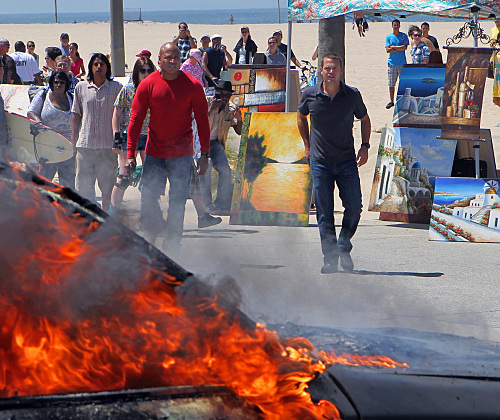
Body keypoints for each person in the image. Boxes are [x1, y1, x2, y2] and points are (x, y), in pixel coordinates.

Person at [126, 43, 211, 253]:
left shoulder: (193, 85)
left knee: (178, 202)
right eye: (168, 57)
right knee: (148, 199)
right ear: (160, 60)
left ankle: (173, 245)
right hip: (154, 153)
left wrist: (205, 155)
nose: (172, 61)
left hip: (181, 155)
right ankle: (151, 238)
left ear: (180, 59)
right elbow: (135, 121)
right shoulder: (148, 85)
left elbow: (202, 121)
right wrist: (129, 155)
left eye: (176, 57)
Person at [297, 53, 371, 274]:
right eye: (327, 68)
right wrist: (307, 145)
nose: (331, 72)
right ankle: (329, 258)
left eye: (335, 68)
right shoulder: (310, 95)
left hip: (347, 160)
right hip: (320, 162)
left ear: (341, 70)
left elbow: (365, 119)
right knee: (324, 212)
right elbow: (301, 117)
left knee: (355, 207)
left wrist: (365, 146)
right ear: (321, 70)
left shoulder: (352, 95)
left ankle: (343, 245)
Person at [71, 53, 122, 211]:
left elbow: (122, 117)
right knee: (83, 190)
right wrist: (73, 142)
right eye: (95, 64)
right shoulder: (81, 87)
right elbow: (76, 115)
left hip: (108, 147)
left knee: (107, 190)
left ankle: (105, 221)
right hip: (85, 146)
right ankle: (85, 221)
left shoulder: (116, 88)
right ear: (90, 68)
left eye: (102, 64)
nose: (99, 67)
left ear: (107, 67)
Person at [110, 56, 155, 213]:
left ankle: (149, 214)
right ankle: (112, 213)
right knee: (123, 176)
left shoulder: (155, 90)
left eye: (149, 70)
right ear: (137, 72)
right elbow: (116, 114)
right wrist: (116, 137)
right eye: (143, 70)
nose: (146, 73)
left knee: (151, 178)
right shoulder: (128, 90)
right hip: (128, 136)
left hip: (149, 136)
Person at [27, 71, 75, 188]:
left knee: (67, 183)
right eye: (56, 82)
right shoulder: (43, 95)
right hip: (48, 145)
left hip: (67, 146)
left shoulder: (72, 98)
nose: (58, 84)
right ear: (52, 83)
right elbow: (31, 112)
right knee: (45, 179)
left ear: (66, 84)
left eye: (62, 82)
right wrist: (38, 121)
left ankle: (65, 205)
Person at [201, 80, 243, 215]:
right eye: (221, 95)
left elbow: (239, 131)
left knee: (225, 170)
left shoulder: (230, 109)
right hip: (200, 143)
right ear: (215, 93)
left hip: (215, 143)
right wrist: (209, 110)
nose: (223, 98)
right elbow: (195, 122)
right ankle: (207, 204)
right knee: (204, 169)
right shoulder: (205, 101)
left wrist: (239, 119)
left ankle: (221, 203)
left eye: (227, 96)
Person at [385, 19, 409, 109]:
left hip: (402, 63)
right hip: (392, 63)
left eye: (397, 25)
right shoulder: (389, 37)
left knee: (402, 82)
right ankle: (391, 101)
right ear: (392, 26)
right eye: (394, 25)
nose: (396, 26)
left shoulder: (403, 36)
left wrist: (394, 47)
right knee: (391, 83)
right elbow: (388, 50)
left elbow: (404, 47)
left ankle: (402, 99)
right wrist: (399, 47)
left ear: (399, 26)